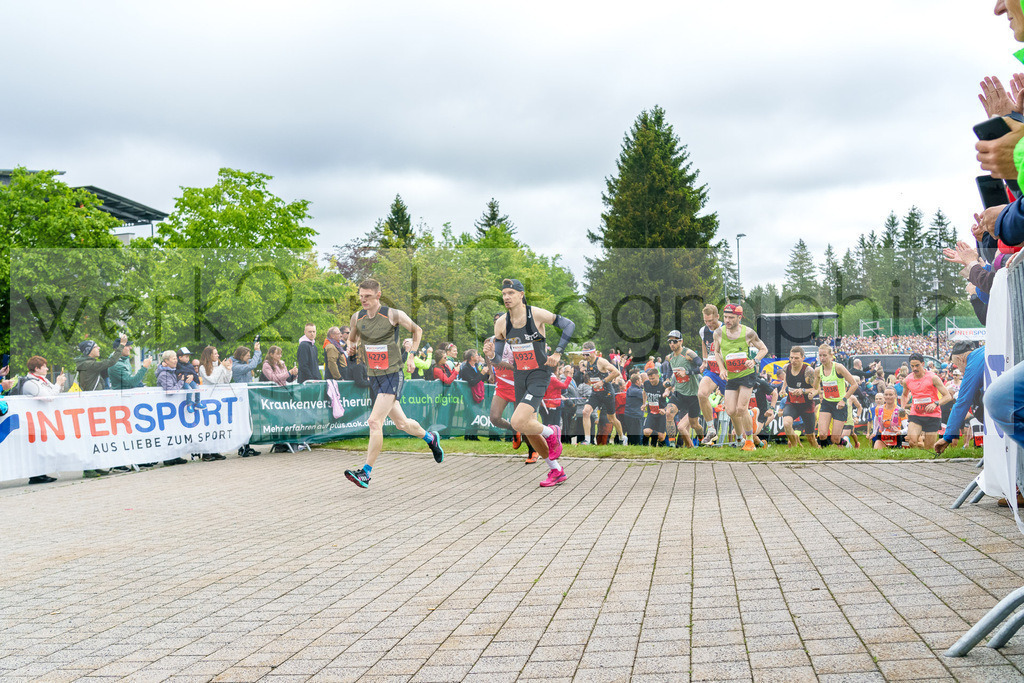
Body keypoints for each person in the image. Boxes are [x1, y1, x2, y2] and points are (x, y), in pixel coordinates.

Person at [343, 278, 444, 488]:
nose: (364, 300)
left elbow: (417, 330)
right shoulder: (357, 317)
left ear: (378, 295)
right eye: (361, 296)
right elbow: (353, 339)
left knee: (374, 422)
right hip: (375, 376)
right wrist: (351, 347)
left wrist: (411, 355)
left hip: (392, 374)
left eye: (368, 296)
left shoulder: (392, 314)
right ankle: (430, 438)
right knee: (402, 424)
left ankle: (366, 473)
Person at [492, 278, 576, 487]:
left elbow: (569, 325)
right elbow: (498, 359)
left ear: (521, 295)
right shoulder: (501, 323)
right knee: (528, 428)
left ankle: (551, 432)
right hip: (519, 376)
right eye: (504, 294)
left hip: (539, 373)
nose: (507, 297)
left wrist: (557, 353)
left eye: (511, 293)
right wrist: (491, 356)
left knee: (517, 421)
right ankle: (555, 470)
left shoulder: (535, 314)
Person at [713, 304, 768, 451]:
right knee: (731, 411)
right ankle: (749, 418)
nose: (727, 320)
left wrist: (754, 360)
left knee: (741, 408)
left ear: (739, 317)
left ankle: (749, 441)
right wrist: (722, 368)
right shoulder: (718, 333)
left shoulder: (748, 333)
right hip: (731, 375)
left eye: (731, 317)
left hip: (746, 374)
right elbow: (717, 353)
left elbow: (764, 349)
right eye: (725, 317)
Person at [936, 342, 987, 454]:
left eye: (957, 365)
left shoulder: (972, 365)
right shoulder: (982, 350)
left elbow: (962, 402)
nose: (960, 370)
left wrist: (947, 437)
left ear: (961, 359)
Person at [20, 356, 64, 484]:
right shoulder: (30, 383)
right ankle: (36, 475)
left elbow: (54, 392)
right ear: (36, 368)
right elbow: (49, 397)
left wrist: (59, 384)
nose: (46, 368)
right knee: (36, 447)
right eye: (44, 366)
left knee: (42, 446)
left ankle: (41, 473)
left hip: (42, 418)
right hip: (32, 419)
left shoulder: (41, 379)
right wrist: (57, 384)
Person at [901, 352, 952, 450]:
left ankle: (926, 458)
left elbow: (948, 396)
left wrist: (935, 404)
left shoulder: (933, 377)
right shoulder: (908, 379)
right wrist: (902, 408)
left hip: (932, 415)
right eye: (912, 366)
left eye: (917, 365)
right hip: (916, 414)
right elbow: (904, 395)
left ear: (923, 364)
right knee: (911, 441)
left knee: (929, 447)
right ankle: (918, 458)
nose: (915, 368)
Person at [812, 344, 860, 447]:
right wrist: (814, 384)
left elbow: (854, 384)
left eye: (825, 355)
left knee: (835, 439)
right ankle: (824, 456)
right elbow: (816, 387)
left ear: (831, 355)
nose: (822, 358)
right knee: (822, 435)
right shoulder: (818, 370)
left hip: (839, 404)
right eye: (820, 356)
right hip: (826, 403)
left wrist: (843, 400)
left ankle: (847, 445)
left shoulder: (838, 367)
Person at [663, 330, 703, 448]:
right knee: (668, 413)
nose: (672, 344)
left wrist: (687, 372)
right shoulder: (670, 358)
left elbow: (701, 367)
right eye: (670, 341)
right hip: (679, 393)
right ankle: (671, 443)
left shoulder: (688, 353)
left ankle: (703, 440)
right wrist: (668, 383)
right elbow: (674, 375)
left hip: (693, 395)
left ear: (681, 341)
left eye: (674, 341)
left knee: (695, 424)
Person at [578, 341, 621, 445]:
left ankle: (622, 437)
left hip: (607, 392)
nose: (585, 357)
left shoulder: (601, 361)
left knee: (612, 419)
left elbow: (616, 372)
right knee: (586, 412)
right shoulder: (585, 362)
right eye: (583, 354)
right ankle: (587, 440)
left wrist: (602, 381)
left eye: (587, 354)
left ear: (593, 352)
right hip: (596, 392)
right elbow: (583, 366)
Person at [697, 304, 727, 445]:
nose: (709, 324)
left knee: (735, 409)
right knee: (702, 394)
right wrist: (704, 361)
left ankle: (747, 438)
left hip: (728, 372)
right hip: (712, 370)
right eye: (706, 321)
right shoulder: (703, 331)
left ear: (717, 317)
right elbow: (704, 343)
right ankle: (711, 430)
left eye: (711, 321)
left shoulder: (726, 330)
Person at [155, 351, 189, 467]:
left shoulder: (172, 371)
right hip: (165, 407)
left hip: (173, 407)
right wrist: (181, 382)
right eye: (173, 359)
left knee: (175, 432)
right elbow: (170, 391)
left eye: (176, 358)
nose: (176, 360)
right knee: (167, 433)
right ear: (166, 361)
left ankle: (175, 455)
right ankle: (168, 457)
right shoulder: (164, 374)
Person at [781, 346, 818, 448]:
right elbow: (786, 378)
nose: (793, 360)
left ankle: (818, 453)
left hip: (806, 405)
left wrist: (803, 391)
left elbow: (817, 388)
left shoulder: (809, 371)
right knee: (787, 424)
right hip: (792, 403)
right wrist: (783, 388)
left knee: (810, 437)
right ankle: (795, 447)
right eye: (791, 357)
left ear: (803, 358)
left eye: (796, 358)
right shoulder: (786, 368)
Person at [231, 344, 263, 457]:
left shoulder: (244, 363)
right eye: (247, 356)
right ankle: (242, 447)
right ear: (241, 355)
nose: (249, 358)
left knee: (247, 422)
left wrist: (258, 351)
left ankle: (247, 446)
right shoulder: (235, 366)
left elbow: (258, 360)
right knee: (242, 422)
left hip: (246, 396)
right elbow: (253, 364)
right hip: (240, 397)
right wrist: (257, 351)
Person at [641, 368, 668, 447]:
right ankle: (644, 448)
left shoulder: (662, 386)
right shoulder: (646, 383)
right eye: (650, 379)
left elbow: (671, 401)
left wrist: (665, 409)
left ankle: (662, 448)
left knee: (661, 437)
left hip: (661, 414)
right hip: (651, 412)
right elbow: (644, 392)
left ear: (658, 376)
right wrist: (644, 403)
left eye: (653, 378)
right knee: (646, 432)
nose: (651, 381)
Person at [622, 372, 645, 446]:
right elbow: (645, 395)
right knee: (637, 436)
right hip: (635, 416)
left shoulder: (630, 389)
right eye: (641, 379)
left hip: (630, 415)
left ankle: (632, 447)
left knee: (631, 435)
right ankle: (636, 448)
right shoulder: (636, 391)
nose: (641, 381)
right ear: (637, 381)